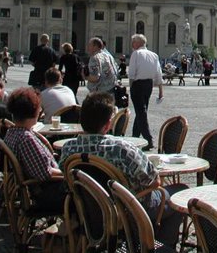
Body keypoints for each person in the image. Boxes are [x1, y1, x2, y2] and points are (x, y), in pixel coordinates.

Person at [59, 92, 184, 249]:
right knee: (179, 193)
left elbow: (65, 181)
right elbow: (154, 182)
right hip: (127, 211)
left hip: (88, 210)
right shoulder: (121, 149)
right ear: (108, 124)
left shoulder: (69, 149)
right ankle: (161, 246)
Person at [4, 87, 65, 213]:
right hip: (47, 191)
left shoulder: (11, 132)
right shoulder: (26, 139)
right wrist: (70, 173)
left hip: (34, 187)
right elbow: (45, 173)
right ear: (35, 112)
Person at [128, 34, 164, 151]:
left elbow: (132, 73)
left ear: (137, 43)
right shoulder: (154, 55)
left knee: (141, 112)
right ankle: (135, 137)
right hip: (149, 84)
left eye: (133, 42)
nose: (132, 44)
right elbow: (158, 74)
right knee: (141, 111)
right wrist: (160, 90)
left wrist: (131, 87)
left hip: (138, 84)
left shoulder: (136, 54)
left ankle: (149, 140)